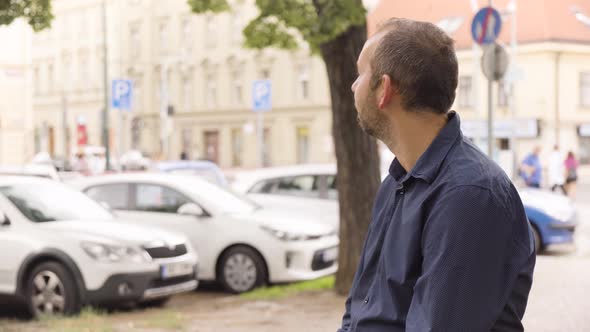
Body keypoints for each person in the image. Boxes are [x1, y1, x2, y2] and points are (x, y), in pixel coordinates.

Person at [339, 18, 535, 331]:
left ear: (384, 90)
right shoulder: (395, 183)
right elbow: (359, 309)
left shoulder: (470, 195)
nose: (353, 85)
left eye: (361, 73)